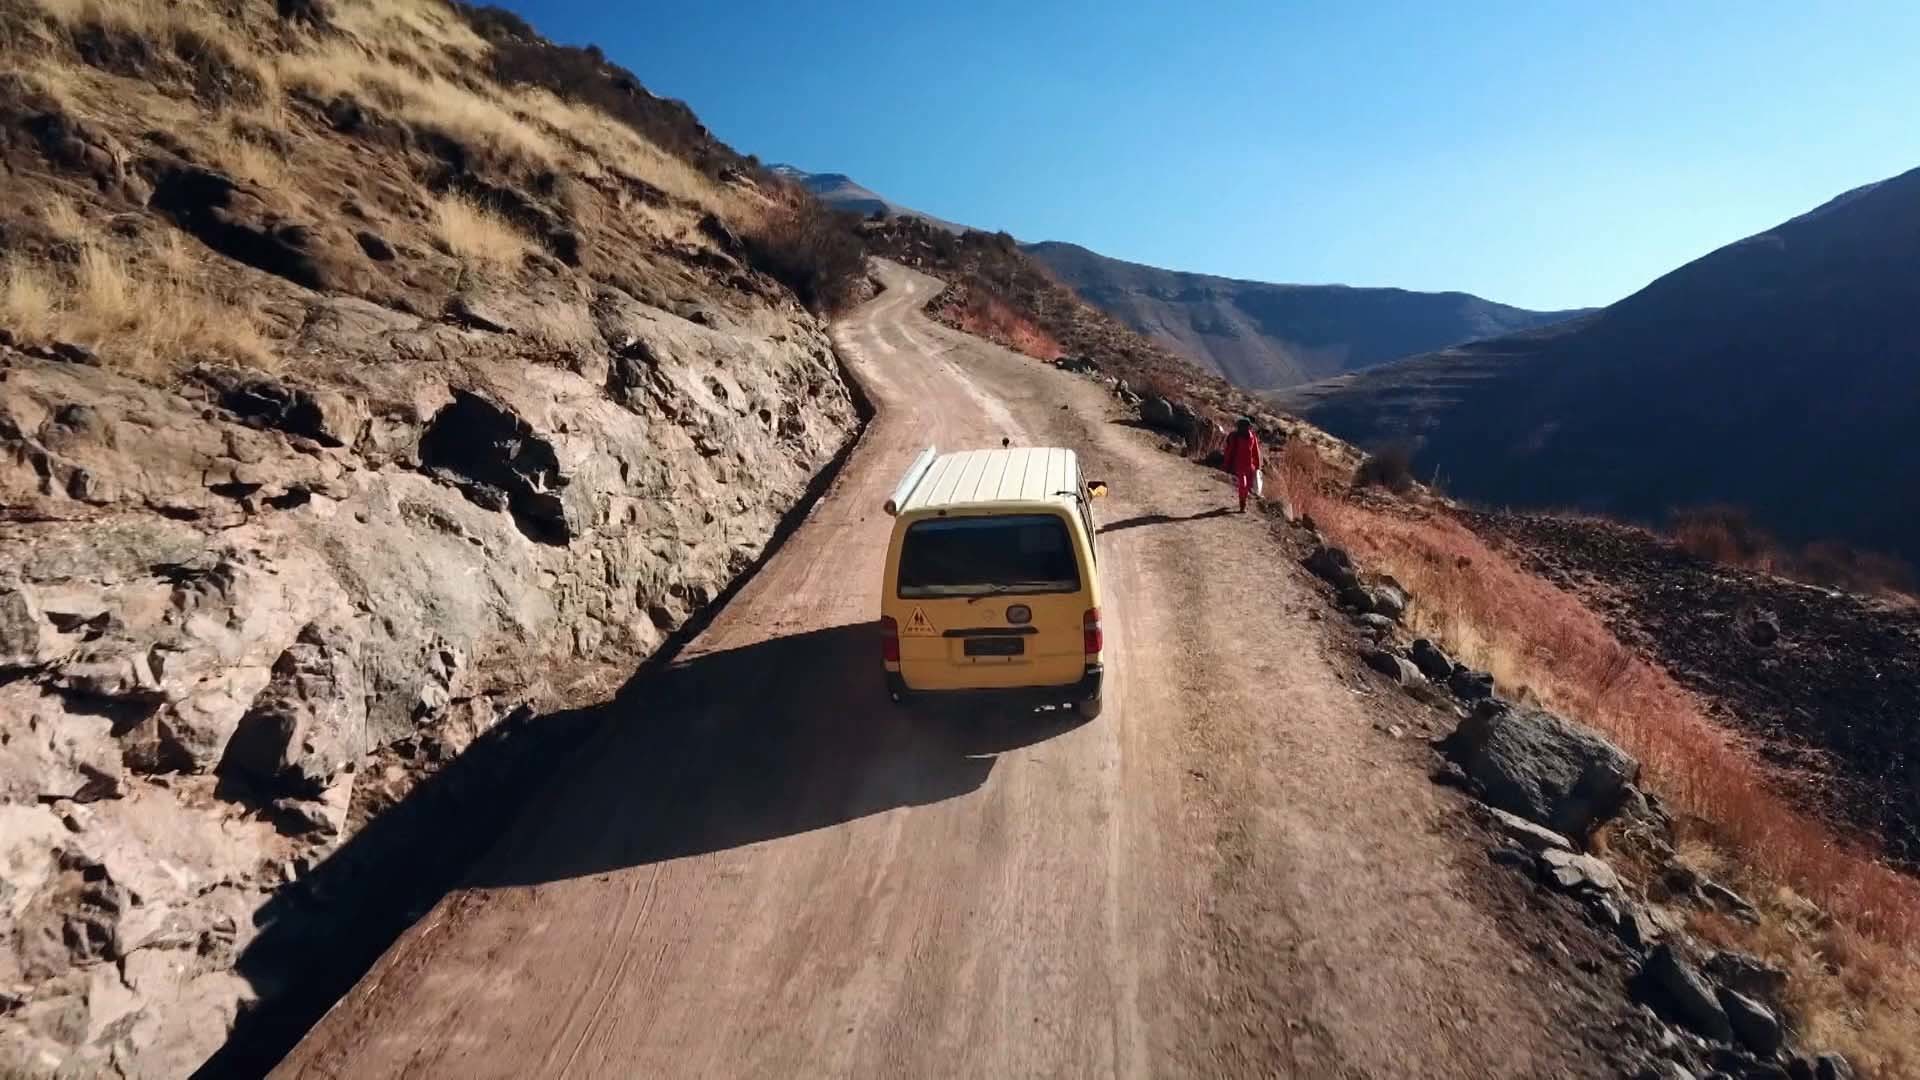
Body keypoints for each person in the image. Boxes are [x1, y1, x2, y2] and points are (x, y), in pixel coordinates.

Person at [1221, 417, 1262, 513]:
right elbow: (1229, 452)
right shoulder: (1235, 437)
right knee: (1243, 485)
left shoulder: (1252, 437)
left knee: (1248, 486)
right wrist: (1226, 465)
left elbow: (1255, 451)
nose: (1245, 428)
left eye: (1246, 426)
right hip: (1239, 465)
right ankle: (1242, 505)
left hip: (1250, 466)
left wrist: (1258, 466)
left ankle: (1243, 501)